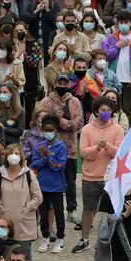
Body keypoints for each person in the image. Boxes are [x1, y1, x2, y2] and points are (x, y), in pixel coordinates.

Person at [73, 97, 124, 253]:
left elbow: (119, 153)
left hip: (110, 178)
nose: (106, 113)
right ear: (96, 111)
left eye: (109, 110)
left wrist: (106, 145)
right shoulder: (87, 129)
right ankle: (85, 240)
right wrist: (97, 148)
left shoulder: (118, 129)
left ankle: (110, 241)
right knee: (88, 209)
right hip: (90, 177)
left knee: (111, 212)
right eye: (103, 110)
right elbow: (84, 153)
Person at [39, 74, 83, 224]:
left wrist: (59, 120)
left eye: (65, 82)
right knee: (50, 179)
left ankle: (71, 210)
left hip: (69, 148)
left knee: (70, 181)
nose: (62, 85)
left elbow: (76, 125)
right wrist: (53, 116)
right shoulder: (46, 101)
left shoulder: (75, 101)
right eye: (60, 82)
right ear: (55, 83)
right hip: (49, 148)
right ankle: (48, 209)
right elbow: (41, 122)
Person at [31, 114, 67, 254]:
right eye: (46, 130)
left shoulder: (61, 146)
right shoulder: (39, 146)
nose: (48, 133)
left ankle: (60, 239)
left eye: (51, 130)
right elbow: (35, 164)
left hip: (57, 186)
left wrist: (48, 156)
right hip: (42, 185)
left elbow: (59, 166)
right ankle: (45, 237)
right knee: (43, 213)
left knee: (59, 212)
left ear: (56, 131)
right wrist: (44, 159)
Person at [101, 10, 131, 124]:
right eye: (121, 22)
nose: (123, 24)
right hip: (114, 80)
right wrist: (116, 46)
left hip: (130, 81)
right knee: (112, 107)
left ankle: (129, 136)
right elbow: (104, 56)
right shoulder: (111, 38)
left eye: (126, 22)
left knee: (129, 109)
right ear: (117, 23)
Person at [25, 0, 60, 67]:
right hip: (34, 41)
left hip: (48, 41)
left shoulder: (54, 5)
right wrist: (36, 11)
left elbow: (57, 23)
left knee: (48, 65)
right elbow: (26, 19)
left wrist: (48, 10)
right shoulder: (31, 5)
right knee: (35, 67)